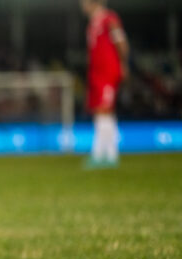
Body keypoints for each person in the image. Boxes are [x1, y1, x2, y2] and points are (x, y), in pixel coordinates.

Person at [81, 0, 129, 168]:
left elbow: (121, 42)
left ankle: (103, 154)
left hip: (108, 71)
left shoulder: (109, 19)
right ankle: (108, 153)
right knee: (102, 112)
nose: (82, 5)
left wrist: (123, 63)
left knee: (104, 110)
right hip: (97, 73)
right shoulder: (92, 23)